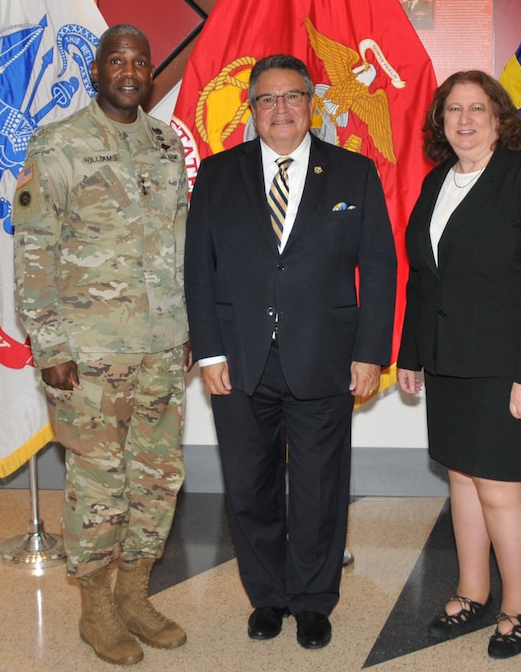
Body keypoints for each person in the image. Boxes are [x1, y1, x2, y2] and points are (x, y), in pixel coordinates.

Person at [184, 54, 397, 651]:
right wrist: (209, 352)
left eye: (292, 97)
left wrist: (369, 353)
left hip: (325, 359)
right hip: (240, 361)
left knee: (319, 491)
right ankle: (269, 597)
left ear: (312, 104)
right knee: (248, 489)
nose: (280, 110)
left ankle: (311, 600)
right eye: (267, 100)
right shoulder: (218, 173)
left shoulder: (353, 173)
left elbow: (378, 267)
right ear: (251, 110)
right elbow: (199, 268)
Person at [13, 24, 190, 667]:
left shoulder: (167, 144)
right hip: (88, 354)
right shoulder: (59, 143)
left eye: (139, 61)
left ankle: (135, 598)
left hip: (162, 347)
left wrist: (188, 326)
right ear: (96, 70)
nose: (128, 70)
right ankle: (96, 611)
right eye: (115, 59)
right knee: (98, 484)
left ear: (151, 74)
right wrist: (49, 343)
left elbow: (180, 240)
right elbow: (33, 249)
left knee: (158, 478)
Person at [397, 70, 521, 659]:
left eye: (478, 108)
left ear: (500, 119)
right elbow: (425, 278)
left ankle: (519, 605)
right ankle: (472, 591)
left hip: (514, 366)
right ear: (440, 121)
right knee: (462, 478)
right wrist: (410, 354)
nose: (466, 120)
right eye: (454, 109)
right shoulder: (435, 184)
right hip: (451, 362)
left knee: (501, 488)